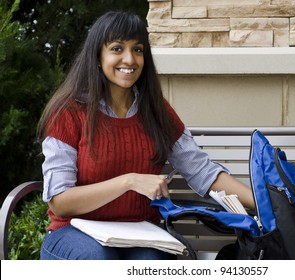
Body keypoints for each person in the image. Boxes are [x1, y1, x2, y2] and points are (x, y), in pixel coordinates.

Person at [37, 11, 255, 260]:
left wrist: (263, 204)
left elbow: (202, 172)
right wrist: (129, 181)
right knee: (100, 262)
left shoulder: (156, 111)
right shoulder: (68, 112)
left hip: (139, 234)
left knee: (154, 265)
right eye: (117, 49)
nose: (129, 59)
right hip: (73, 234)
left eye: (137, 49)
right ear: (98, 56)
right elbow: (59, 201)